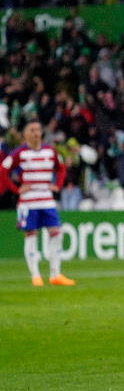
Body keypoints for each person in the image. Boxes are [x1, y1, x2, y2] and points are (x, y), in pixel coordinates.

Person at [0, 120, 74, 287]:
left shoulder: (50, 151)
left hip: (47, 199)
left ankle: (55, 274)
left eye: (38, 130)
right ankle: (36, 275)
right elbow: (3, 170)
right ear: (25, 134)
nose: (36, 133)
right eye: (32, 130)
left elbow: (61, 167)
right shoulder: (19, 153)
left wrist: (58, 185)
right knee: (31, 235)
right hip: (28, 201)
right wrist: (15, 189)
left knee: (56, 232)